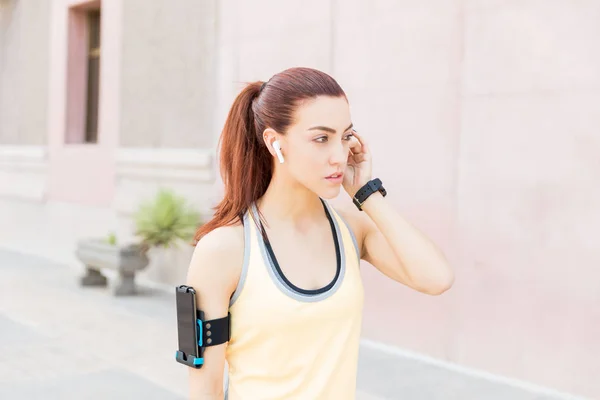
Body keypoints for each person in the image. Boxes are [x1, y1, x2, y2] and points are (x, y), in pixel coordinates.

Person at [186, 67, 454, 399]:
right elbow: (203, 388)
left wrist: (366, 194)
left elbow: (436, 278)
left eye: (345, 137)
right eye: (321, 138)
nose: (339, 156)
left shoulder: (351, 229)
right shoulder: (224, 250)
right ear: (274, 142)